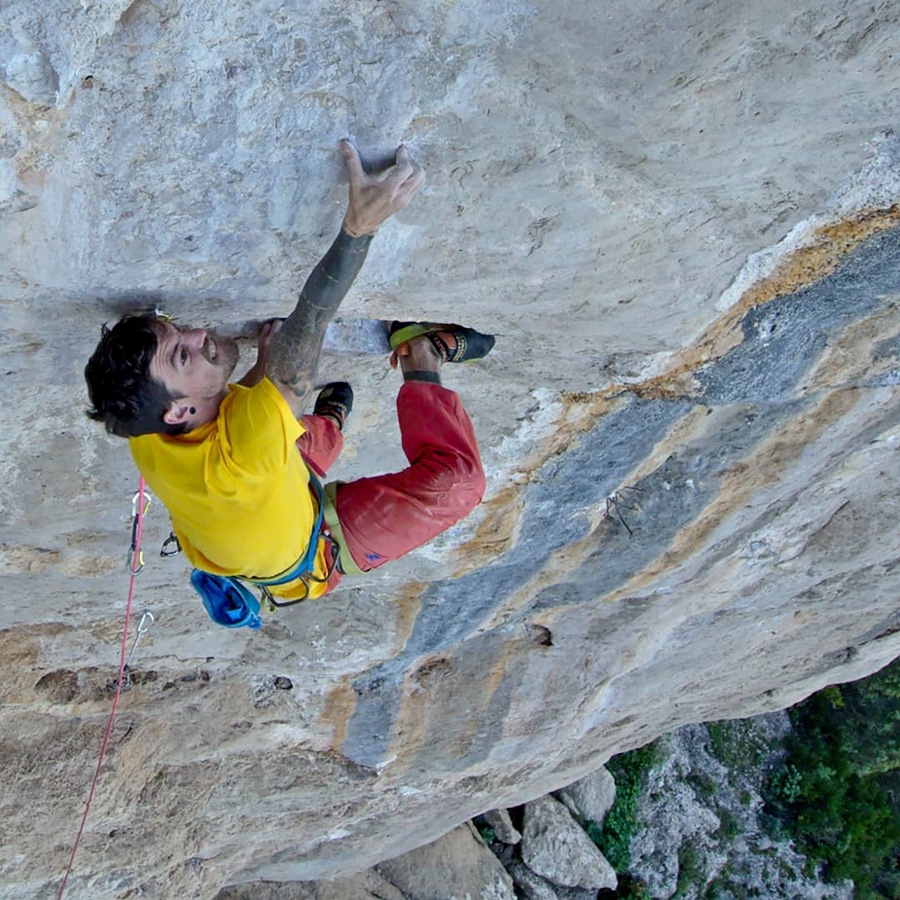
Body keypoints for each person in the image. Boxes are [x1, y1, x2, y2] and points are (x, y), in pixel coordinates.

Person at [84, 141, 495, 613]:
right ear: (177, 410)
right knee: (460, 485)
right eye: (182, 354)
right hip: (318, 548)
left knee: (290, 434)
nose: (199, 334)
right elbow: (311, 319)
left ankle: (328, 425)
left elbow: (244, 418)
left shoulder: (144, 425)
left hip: (263, 495)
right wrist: (359, 227)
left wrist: (261, 368)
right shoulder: (239, 448)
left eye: (179, 331)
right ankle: (421, 352)